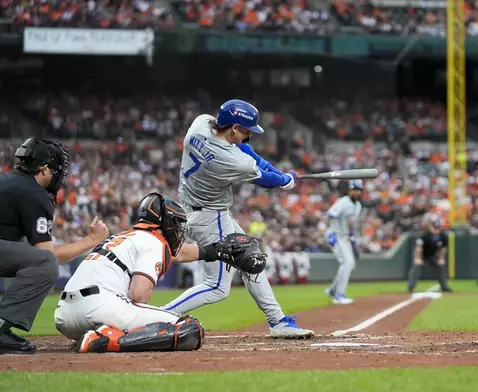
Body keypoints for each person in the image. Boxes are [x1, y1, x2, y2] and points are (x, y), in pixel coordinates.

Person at [162, 99, 314, 339]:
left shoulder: (200, 124)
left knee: (250, 260)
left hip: (198, 208)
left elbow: (248, 153)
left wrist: (277, 171)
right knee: (217, 286)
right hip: (211, 216)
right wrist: (287, 180)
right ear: (233, 128)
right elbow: (265, 179)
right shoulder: (231, 161)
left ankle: (277, 321)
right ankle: (157, 315)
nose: (248, 136)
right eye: (246, 131)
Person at [55, 192, 264, 353]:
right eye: (176, 223)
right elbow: (139, 295)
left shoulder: (127, 236)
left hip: (65, 316)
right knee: (190, 329)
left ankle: (99, 335)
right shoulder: (155, 242)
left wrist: (214, 251)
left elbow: (178, 254)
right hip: (99, 307)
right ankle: (107, 340)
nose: (179, 230)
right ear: (166, 223)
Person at [0, 137, 110, 355]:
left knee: (24, 250)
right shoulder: (34, 192)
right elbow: (47, 255)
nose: (58, 175)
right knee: (44, 262)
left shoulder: (9, 182)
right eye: (55, 170)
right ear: (43, 170)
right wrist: (92, 240)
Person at [324, 180, 363, 305]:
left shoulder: (358, 206)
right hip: (335, 234)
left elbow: (350, 223)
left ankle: (333, 289)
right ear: (349, 190)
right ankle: (339, 295)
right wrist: (328, 233)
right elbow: (328, 216)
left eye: (358, 190)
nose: (355, 192)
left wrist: (352, 239)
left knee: (348, 264)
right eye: (353, 189)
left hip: (345, 236)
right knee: (348, 262)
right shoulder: (342, 202)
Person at [407, 220, 453, 294]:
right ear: (431, 228)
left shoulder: (443, 236)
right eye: (435, 228)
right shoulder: (425, 236)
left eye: (438, 228)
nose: (436, 230)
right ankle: (411, 287)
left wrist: (441, 258)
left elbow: (443, 249)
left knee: (441, 266)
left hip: (434, 256)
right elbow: (418, 248)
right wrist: (418, 258)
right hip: (423, 256)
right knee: (416, 266)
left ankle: (444, 287)